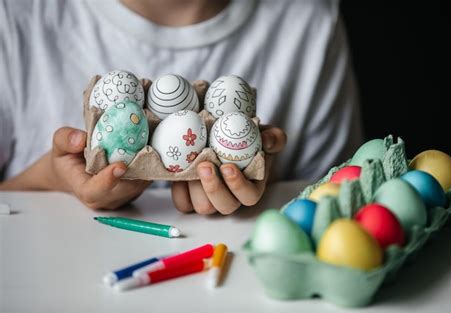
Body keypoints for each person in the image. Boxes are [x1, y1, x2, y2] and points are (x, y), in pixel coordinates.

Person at [0, 0, 362, 214]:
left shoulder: (308, 23)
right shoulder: (17, 20)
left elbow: (342, 201)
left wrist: (269, 185)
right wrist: (49, 178)